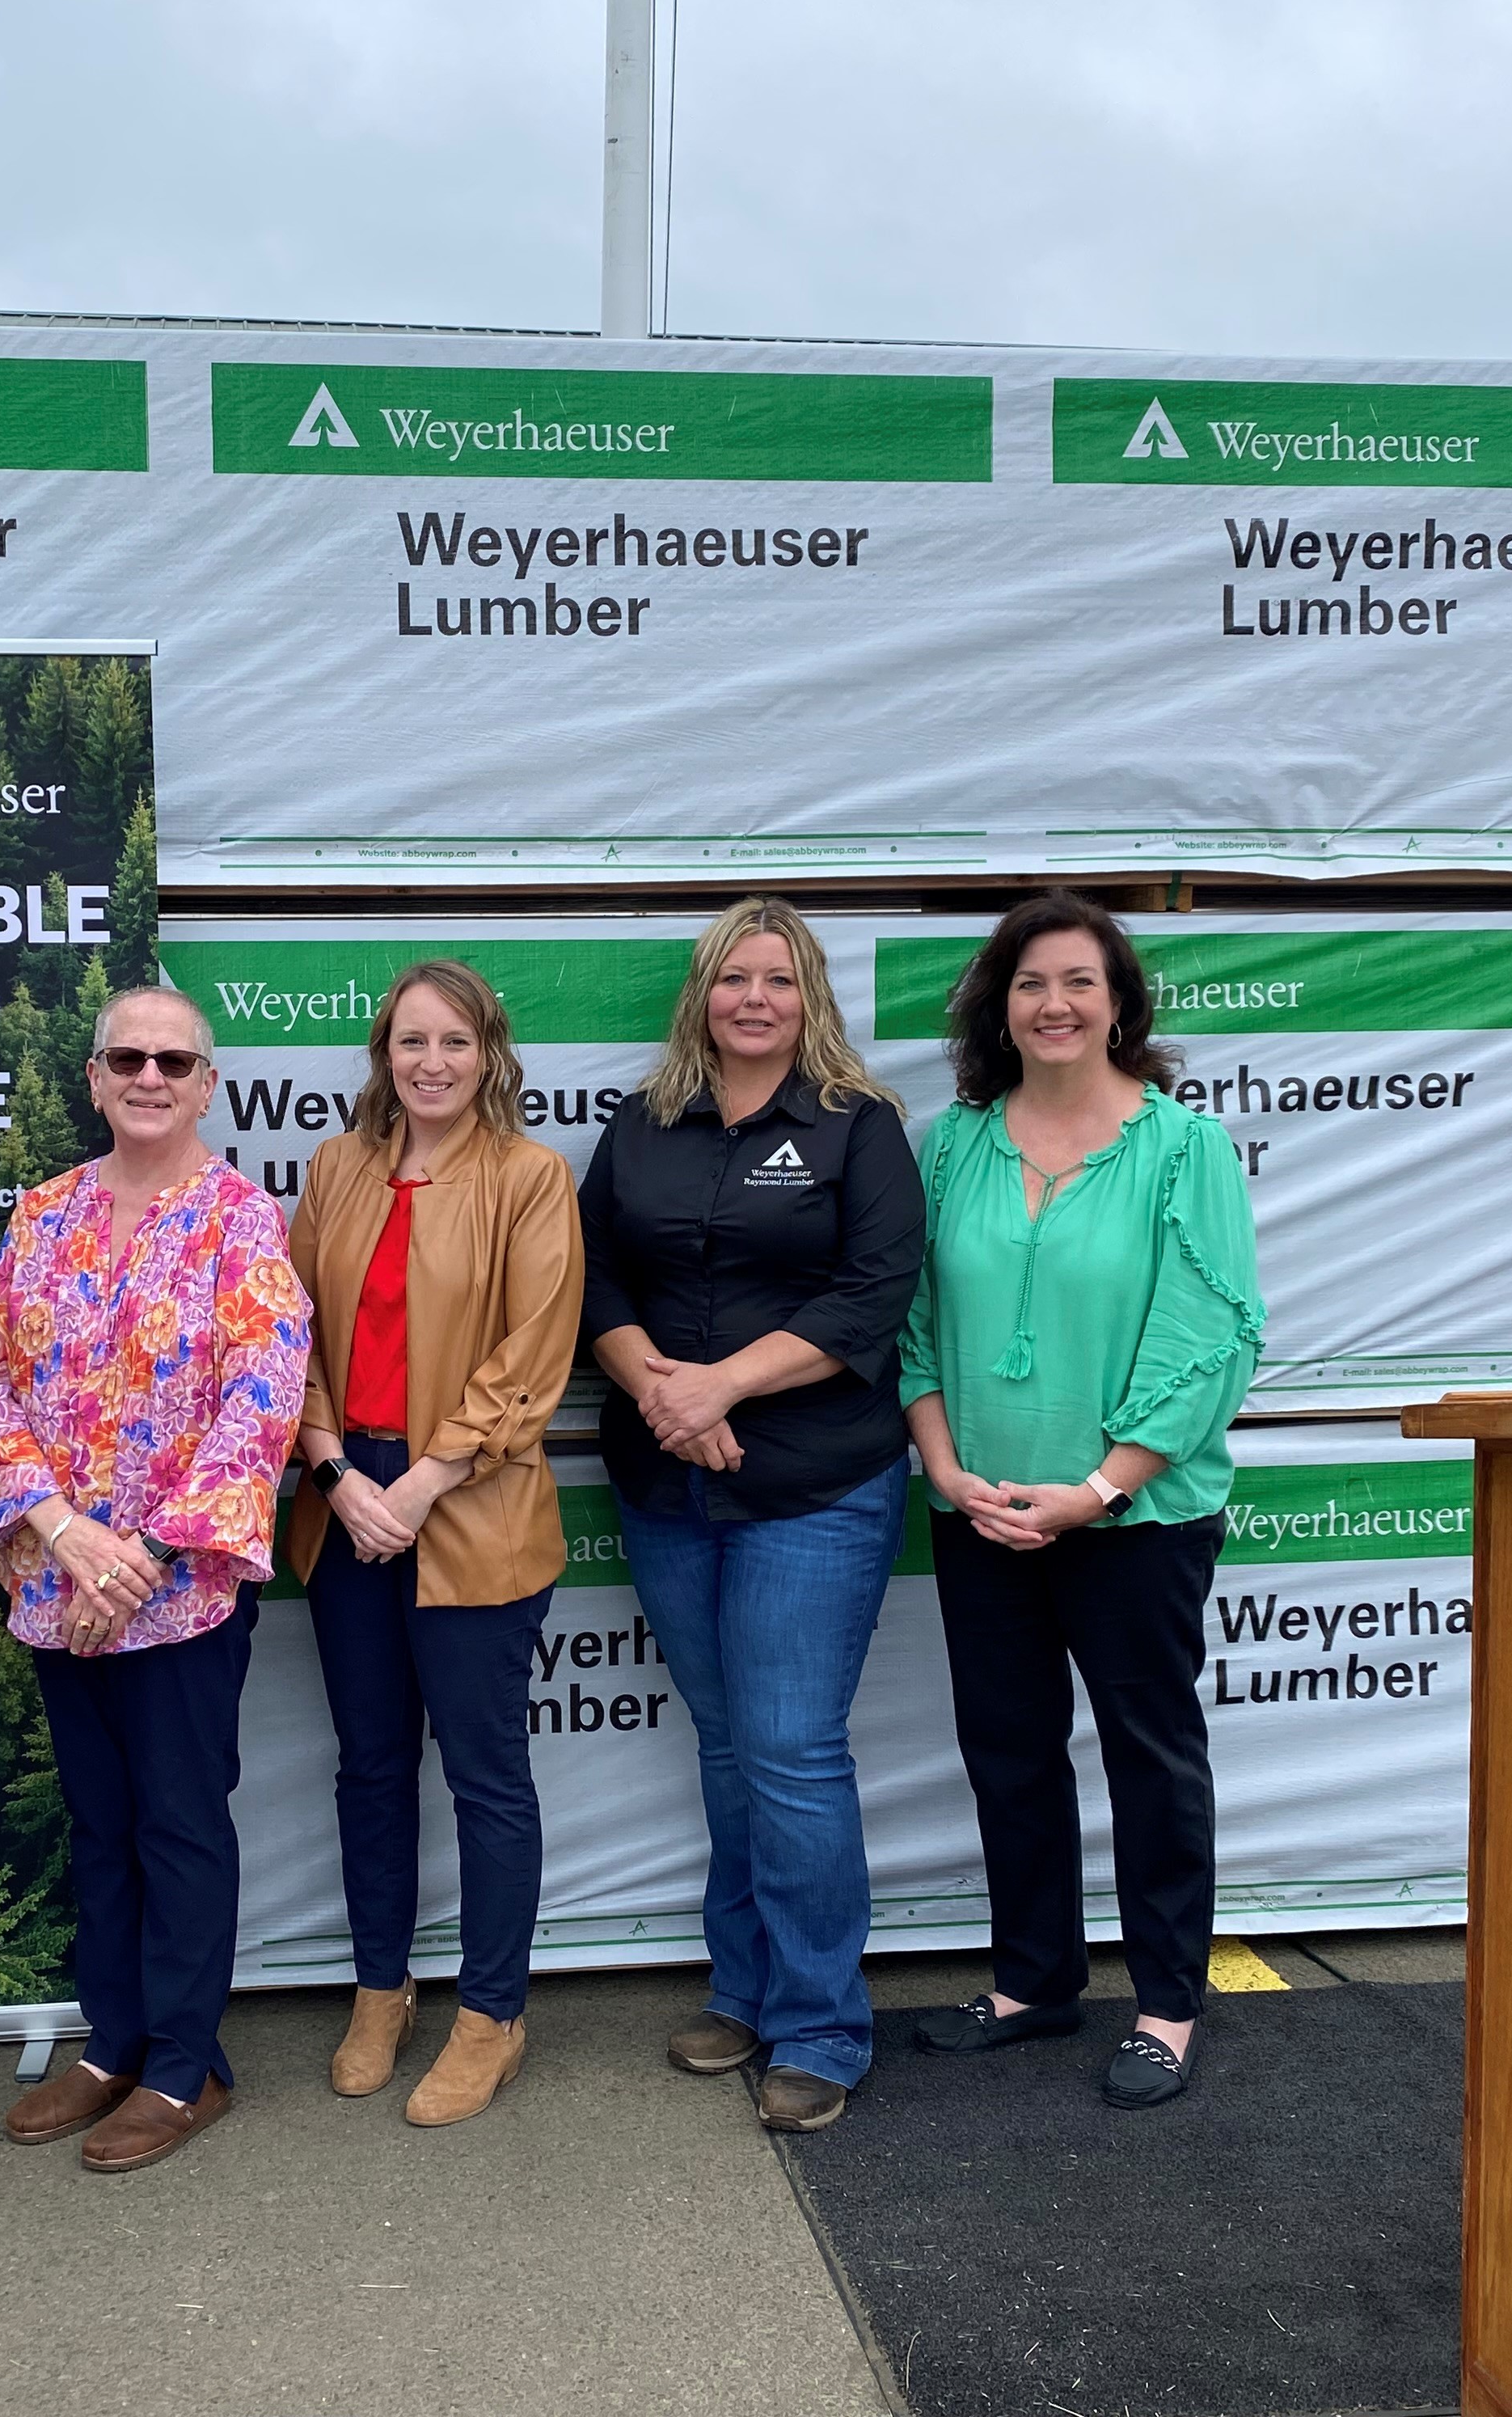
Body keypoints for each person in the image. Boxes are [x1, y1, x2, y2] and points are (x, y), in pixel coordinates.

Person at [899, 890, 1265, 2110]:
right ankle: (1034, 1981)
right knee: (1007, 1751)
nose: (1053, 1005)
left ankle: (1166, 2005)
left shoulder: (1183, 1148)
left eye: (1078, 983)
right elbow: (918, 1327)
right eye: (1029, 984)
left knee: (1150, 1756)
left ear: (1120, 1004)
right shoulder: (952, 1143)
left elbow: (1209, 1340)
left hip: (1135, 1520)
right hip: (980, 1510)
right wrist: (945, 1473)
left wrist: (1099, 1491)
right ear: (999, 1005)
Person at [0, 986, 310, 2174]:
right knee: (98, 1825)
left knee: (180, 1823)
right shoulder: (42, 1217)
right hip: (61, 1584)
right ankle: (113, 2042)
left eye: (174, 1060)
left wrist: (143, 1556)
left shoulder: (244, 1225)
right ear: (95, 1080)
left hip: (180, 1589)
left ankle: (186, 2062)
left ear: (208, 1084)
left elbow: (264, 1400)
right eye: (126, 1058)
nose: (149, 1077)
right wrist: (60, 1532)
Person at [578, 898, 924, 2133]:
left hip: (812, 1486)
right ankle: (747, 1989)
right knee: (727, 1747)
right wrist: (665, 1395)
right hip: (668, 1480)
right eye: (735, 978)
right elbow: (597, 1274)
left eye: (779, 979)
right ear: (703, 997)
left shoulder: (858, 1127)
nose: (756, 999)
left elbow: (873, 1295)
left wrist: (720, 1385)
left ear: (810, 996)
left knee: (789, 1750)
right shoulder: (644, 1121)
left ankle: (823, 2025)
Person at [285, 961, 585, 2126]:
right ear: (384, 1054)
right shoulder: (337, 1169)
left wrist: (416, 1486)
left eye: (455, 1041)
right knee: (367, 1765)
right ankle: (380, 1989)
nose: (433, 1062)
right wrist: (332, 1471)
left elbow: (533, 1356)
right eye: (413, 1041)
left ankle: (492, 2015)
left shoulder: (530, 1177)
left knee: (486, 1777)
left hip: (468, 1508)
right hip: (343, 1503)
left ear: (490, 1052)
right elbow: (289, 1337)